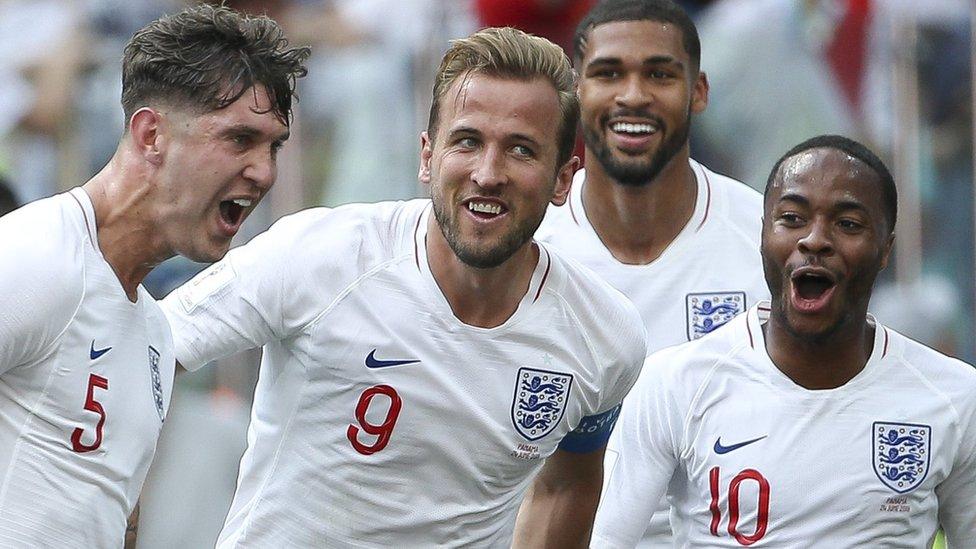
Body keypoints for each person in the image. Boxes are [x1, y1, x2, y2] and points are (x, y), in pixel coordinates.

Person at [160, 27, 646, 548]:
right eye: (467, 141)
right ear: (426, 157)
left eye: (521, 150)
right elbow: (144, 350)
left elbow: (569, 485)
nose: (487, 173)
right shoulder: (319, 256)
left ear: (562, 180)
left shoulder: (604, 338)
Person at [0, 5, 308, 547]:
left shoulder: (156, 332)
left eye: (273, 146)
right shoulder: (36, 257)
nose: (264, 172)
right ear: (150, 135)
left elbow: (117, 522)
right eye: (239, 139)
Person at [591, 135, 976, 547]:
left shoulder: (954, 397)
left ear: (886, 249)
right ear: (762, 235)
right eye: (792, 218)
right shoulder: (675, 383)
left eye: (847, 224)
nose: (815, 240)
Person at [534, 1, 767, 545]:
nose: (633, 95)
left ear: (699, 91)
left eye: (659, 74)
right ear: (575, 92)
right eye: (608, 73)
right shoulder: (529, 243)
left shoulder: (766, 241)